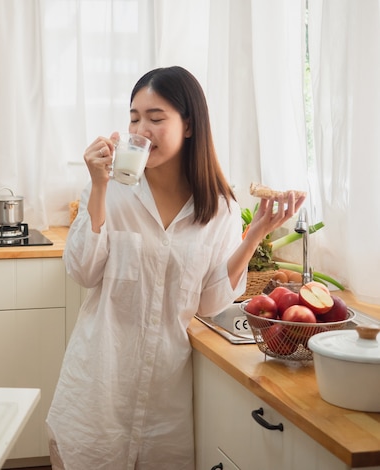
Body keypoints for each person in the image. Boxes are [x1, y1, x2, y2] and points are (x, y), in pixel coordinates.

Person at [46, 66, 305, 470]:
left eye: (156, 118)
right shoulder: (111, 189)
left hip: (163, 405)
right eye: (134, 117)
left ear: (188, 125)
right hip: (97, 392)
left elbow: (209, 301)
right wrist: (98, 186)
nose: (141, 128)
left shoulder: (218, 208)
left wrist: (253, 235)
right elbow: (83, 271)